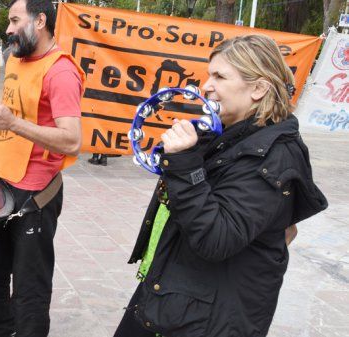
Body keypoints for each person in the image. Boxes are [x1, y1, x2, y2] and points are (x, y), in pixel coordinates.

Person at [114, 34, 328, 337]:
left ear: (258, 88)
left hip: (207, 321)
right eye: (208, 74)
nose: (206, 85)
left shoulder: (274, 155)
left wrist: (186, 164)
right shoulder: (229, 135)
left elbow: (218, 238)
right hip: (174, 297)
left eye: (220, 76)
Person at [0, 0, 84, 337]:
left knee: (29, 281)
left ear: (40, 21)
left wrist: (13, 125)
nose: (8, 29)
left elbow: (71, 139)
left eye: (15, 20)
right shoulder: (16, 60)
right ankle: (2, 329)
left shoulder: (61, 73)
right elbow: (17, 112)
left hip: (35, 195)